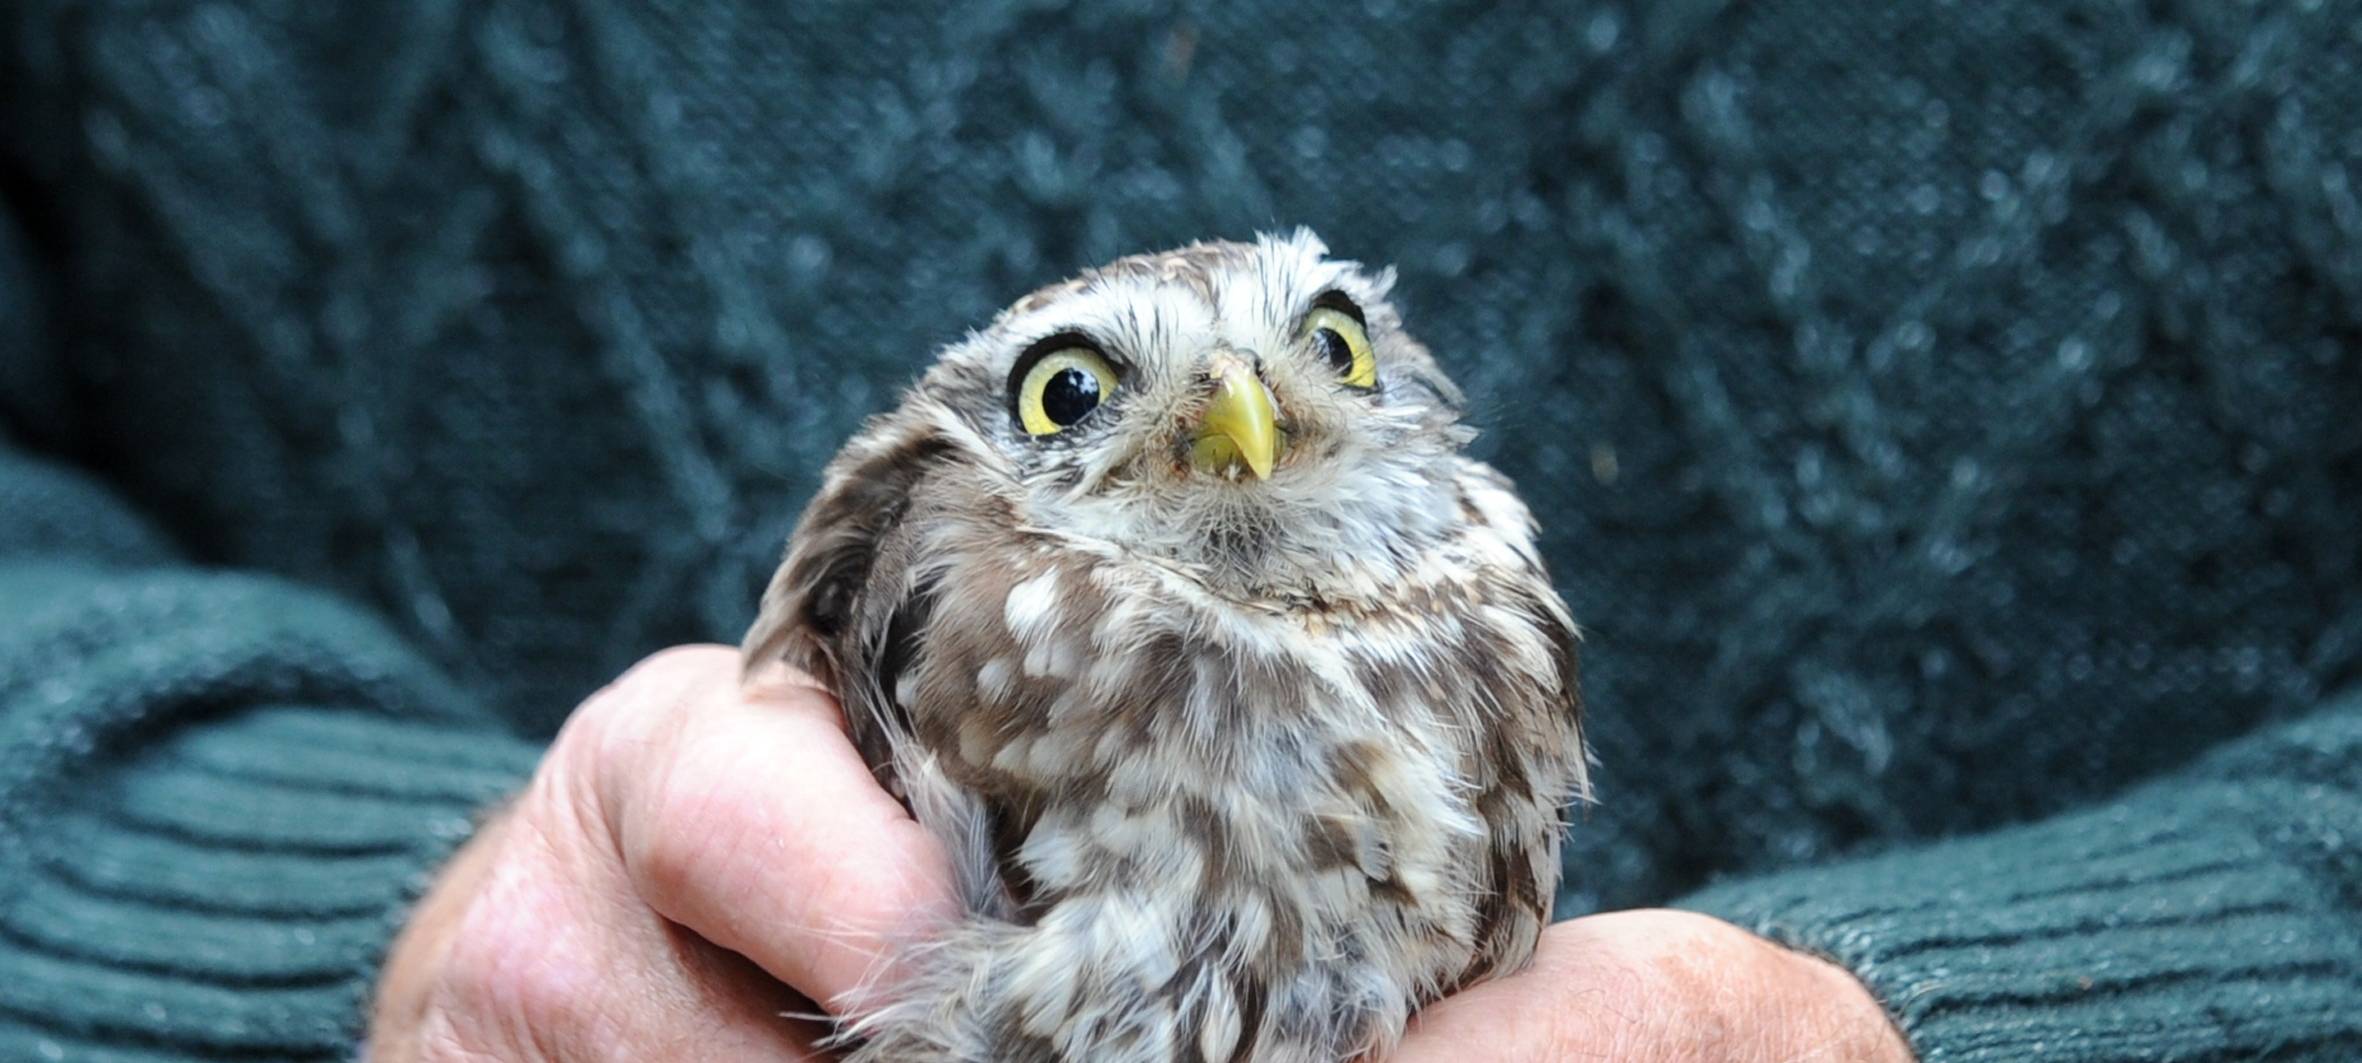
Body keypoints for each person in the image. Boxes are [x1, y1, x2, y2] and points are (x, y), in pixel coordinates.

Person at [0, 1, 2356, 1059]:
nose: (1237, 419)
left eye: (1320, 350)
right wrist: (382, 927)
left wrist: (1980, 1026)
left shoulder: (1479, 619)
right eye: (1077, 398)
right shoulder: (968, 592)